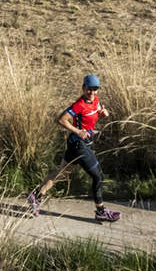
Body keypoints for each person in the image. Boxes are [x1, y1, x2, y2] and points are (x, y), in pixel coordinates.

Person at [27, 73, 121, 222]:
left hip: (76, 144)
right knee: (98, 176)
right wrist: (78, 131)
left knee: (63, 174)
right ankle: (101, 211)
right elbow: (61, 119)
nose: (92, 92)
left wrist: (103, 114)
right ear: (83, 88)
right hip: (79, 145)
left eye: (95, 89)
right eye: (89, 89)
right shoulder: (79, 104)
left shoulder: (96, 100)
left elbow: (96, 112)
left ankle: (36, 196)